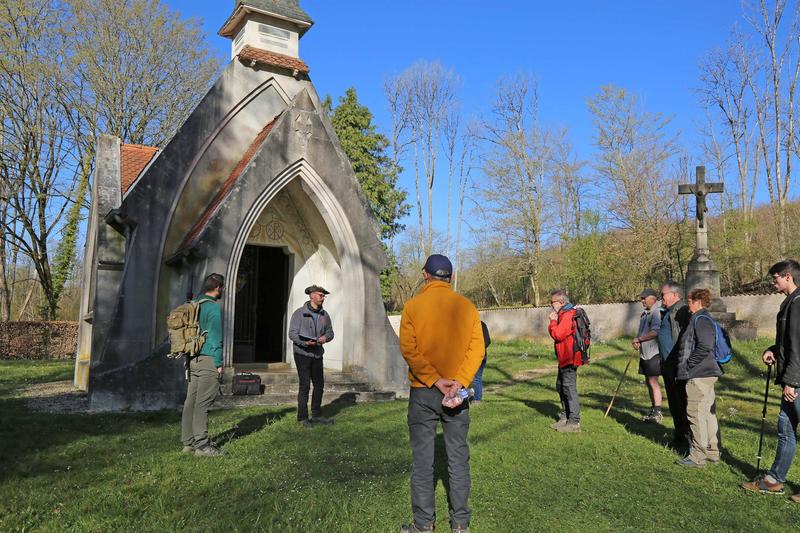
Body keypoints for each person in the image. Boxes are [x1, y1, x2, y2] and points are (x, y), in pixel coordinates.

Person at [398, 254, 484, 533]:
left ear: (426, 275)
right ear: (450, 277)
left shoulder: (412, 306)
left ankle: (424, 526)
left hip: (424, 391)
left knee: (423, 462)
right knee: (458, 458)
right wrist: (458, 382)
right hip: (457, 394)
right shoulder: (467, 307)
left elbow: (409, 350)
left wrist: (436, 380)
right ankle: (460, 525)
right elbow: (477, 350)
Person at [742, 259, 800, 498]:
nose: (773, 281)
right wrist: (773, 350)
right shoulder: (789, 304)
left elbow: (798, 346)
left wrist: (792, 381)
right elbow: (787, 342)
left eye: (775, 277)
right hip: (793, 377)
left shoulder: (797, 304)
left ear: (788, 276)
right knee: (785, 430)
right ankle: (773, 480)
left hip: (796, 380)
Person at [675, 288, 722, 467]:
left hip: (699, 375)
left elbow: (705, 346)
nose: (688, 306)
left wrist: (688, 364)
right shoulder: (703, 318)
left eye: (689, 302)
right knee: (707, 413)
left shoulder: (701, 319)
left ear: (698, 301)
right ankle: (712, 452)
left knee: (695, 414)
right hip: (706, 373)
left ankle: (698, 456)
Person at [181, 273, 226, 457]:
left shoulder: (194, 304)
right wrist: (219, 362)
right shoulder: (213, 307)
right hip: (208, 359)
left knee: (190, 402)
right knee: (202, 404)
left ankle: (188, 444)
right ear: (218, 288)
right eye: (222, 287)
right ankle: (202, 446)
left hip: (192, 359)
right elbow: (215, 337)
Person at [288, 285, 335, 427]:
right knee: (305, 386)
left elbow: (330, 333)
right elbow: (292, 334)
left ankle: (317, 415)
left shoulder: (324, 315)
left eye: (323, 296)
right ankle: (302, 418)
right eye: (321, 295)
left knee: (319, 385)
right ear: (312, 296)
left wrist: (324, 339)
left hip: (317, 354)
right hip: (302, 354)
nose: (323, 298)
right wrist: (304, 342)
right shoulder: (298, 314)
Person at [658, 281, 692, 452]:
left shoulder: (682, 311)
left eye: (663, 294)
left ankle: (687, 439)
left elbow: (685, 339)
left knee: (682, 403)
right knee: (674, 403)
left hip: (678, 366)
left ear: (674, 294)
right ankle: (679, 435)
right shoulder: (668, 311)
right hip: (668, 366)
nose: (661, 298)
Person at [548, 289, 585, 433]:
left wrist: (552, 321)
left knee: (569, 388)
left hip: (570, 358)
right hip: (564, 358)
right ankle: (565, 417)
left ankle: (574, 422)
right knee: (560, 387)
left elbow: (558, 334)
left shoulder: (568, 314)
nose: (551, 305)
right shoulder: (564, 314)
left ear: (561, 301)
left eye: (553, 302)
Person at [633, 288, 663, 423]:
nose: (642, 301)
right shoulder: (644, 315)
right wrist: (637, 340)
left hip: (653, 353)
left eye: (644, 298)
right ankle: (653, 410)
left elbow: (655, 332)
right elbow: (642, 334)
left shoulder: (656, 312)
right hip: (644, 354)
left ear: (653, 298)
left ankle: (658, 412)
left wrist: (639, 339)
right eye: (641, 299)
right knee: (648, 381)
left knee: (653, 381)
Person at [470, 321, 491, 405]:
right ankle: (476, 398)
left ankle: (476, 399)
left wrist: (476, 349)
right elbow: (488, 341)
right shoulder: (482, 324)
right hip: (482, 355)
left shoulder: (471, 324)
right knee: (477, 378)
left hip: (475, 355)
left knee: (476, 378)